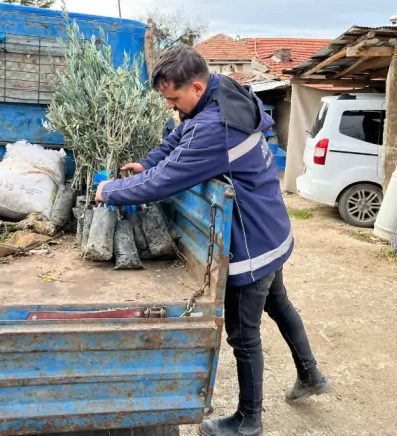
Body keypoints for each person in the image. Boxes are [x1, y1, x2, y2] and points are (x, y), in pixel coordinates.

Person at [96, 46, 330, 436]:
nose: (171, 107)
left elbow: (165, 180)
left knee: (243, 334)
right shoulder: (223, 90)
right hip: (271, 226)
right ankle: (311, 376)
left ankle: (248, 421)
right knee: (279, 303)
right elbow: (179, 137)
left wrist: (111, 191)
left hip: (251, 241)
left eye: (174, 99)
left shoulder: (215, 127)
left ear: (196, 87)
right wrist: (148, 161)